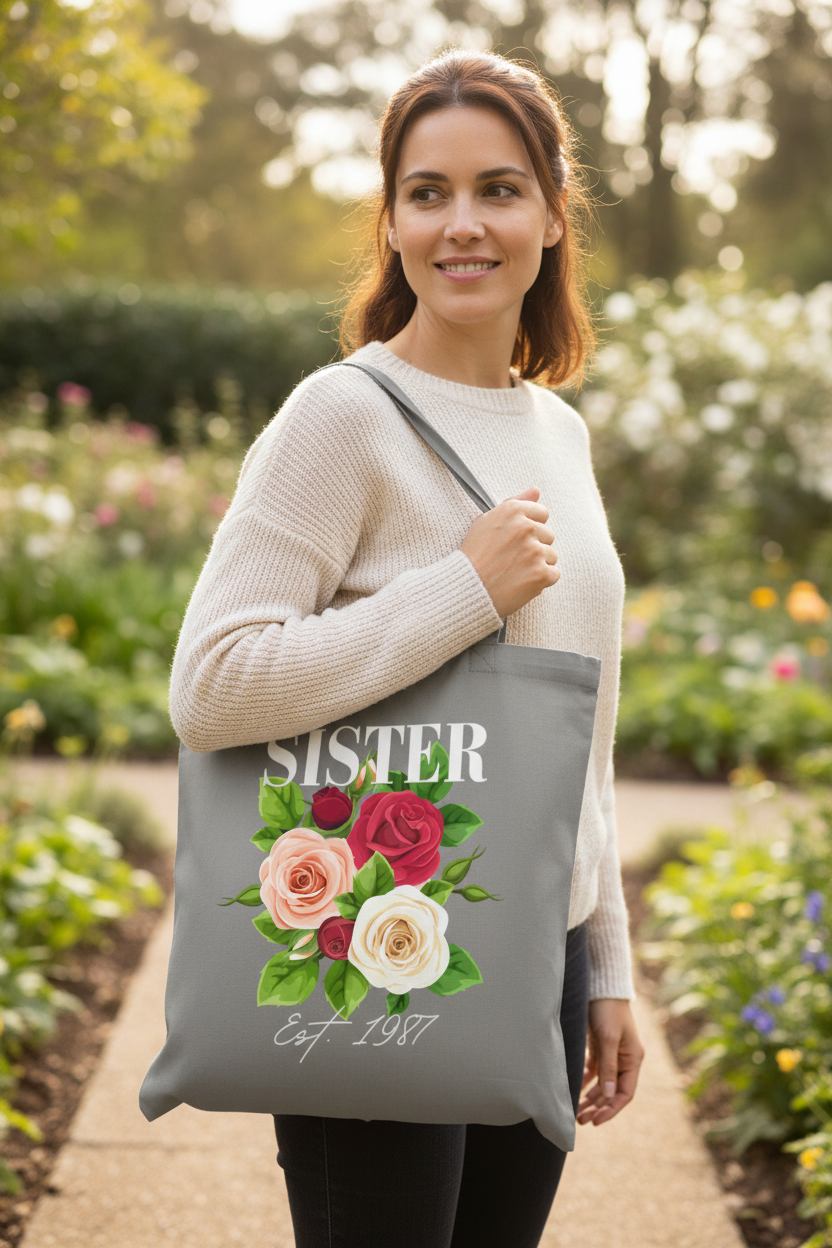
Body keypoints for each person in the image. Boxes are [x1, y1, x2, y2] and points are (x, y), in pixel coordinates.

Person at [170, 47, 644, 1248]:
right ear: (389, 223)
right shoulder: (340, 417)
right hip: (384, 941)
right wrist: (459, 593)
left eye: (497, 188)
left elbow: (578, 737)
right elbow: (211, 686)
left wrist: (604, 970)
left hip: (533, 949)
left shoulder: (561, 434)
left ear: (551, 211)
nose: (462, 224)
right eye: (426, 193)